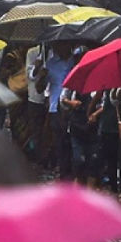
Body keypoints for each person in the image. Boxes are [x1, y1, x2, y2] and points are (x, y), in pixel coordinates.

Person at [36, 42, 76, 179]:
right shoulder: (50, 64)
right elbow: (39, 89)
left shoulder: (76, 60)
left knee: (72, 143)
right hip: (55, 108)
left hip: (73, 107)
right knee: (59, 142)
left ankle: (72, 173)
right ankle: (63, 173)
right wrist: (41, 76)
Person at [61, 87, 100, 188]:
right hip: (77, 129)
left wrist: (96, 113)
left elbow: (106, 104)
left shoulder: (100, 86)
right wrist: (70, 103)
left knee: (93, 162)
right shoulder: (74, 84)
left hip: (93, 130)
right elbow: (63, 99)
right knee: (78, 161)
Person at [25, 45, 48, 162]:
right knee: (36, 130)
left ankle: (44, 158)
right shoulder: (32, 52)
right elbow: (30, 76)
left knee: (47, 132)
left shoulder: (56, 52)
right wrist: (37, 67)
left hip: (49, 99)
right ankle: (35, 157)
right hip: (35, 98)